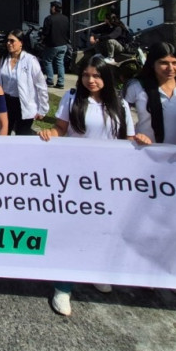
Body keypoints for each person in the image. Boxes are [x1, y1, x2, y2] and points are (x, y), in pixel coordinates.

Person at [38, 54, 150, 316]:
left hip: (108, 178)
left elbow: (128, 137)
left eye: (97, 76)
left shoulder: (120, 104)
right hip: (76, 175)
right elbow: (61, 128)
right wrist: (49, 133)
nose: (91, 80)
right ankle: (63, 286)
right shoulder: (72, 98)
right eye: (86, 75)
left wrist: (140, 139)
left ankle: (96, 269)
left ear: (106, 78)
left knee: (103, 226)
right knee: (72, 228)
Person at [123, 42, 176, 145]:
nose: (170, 68)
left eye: (175, 63)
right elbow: (124, 118)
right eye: (164, 63)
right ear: (152, 64)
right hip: (145, 150)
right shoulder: (136, 87)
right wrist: (135, 137)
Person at [0, 30, 49, 136]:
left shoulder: (30, 61)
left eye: (12, 41)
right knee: (4, 133)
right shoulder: (3, 58)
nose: (8, 43)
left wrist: (43, 108)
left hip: (23, 103)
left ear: (21, 43)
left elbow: (41, 85)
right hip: (7, 102)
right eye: (7, 41)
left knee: (22, 135)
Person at [41, 1, 69, 89]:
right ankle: (61, 82)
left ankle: (50, 80)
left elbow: (45, 32)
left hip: (52, 45)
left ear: (53, 8)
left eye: (51, 7)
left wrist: (42, 39)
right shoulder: (65, 18)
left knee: (47, 61)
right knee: (60, 63)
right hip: (63, 44)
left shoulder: (49, 19)